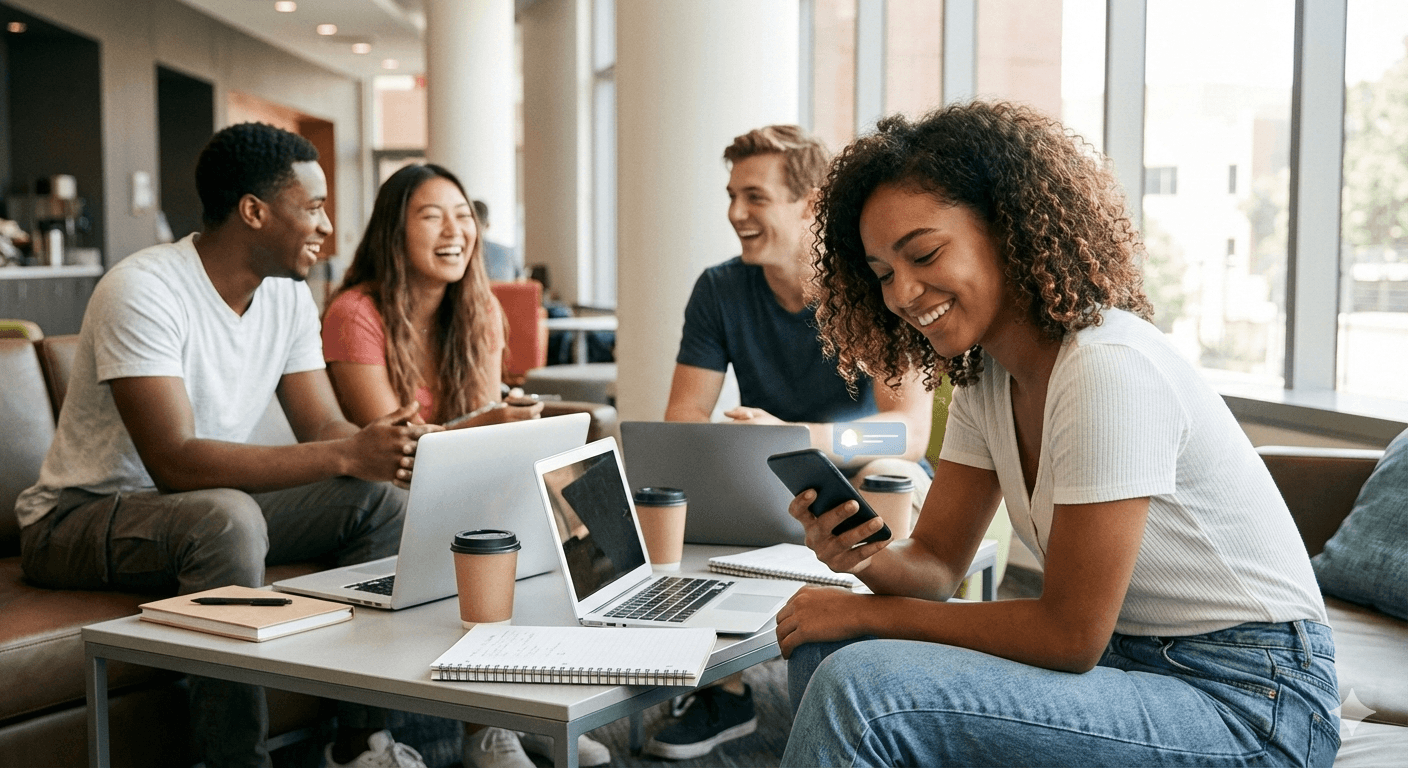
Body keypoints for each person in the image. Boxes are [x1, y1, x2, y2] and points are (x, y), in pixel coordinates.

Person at [776, 102, 1340, 767]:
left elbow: (1069, 633)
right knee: (828, 650)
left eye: (923, 253)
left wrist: (866, 614)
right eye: (882, 274)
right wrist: (863, 554)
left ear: (1005, 228)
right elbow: (933, 565)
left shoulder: (1108, 367)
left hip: (1255, 701)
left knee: (861, 688)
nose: (901, 293)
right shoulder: (986, 377)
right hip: (1137, 662)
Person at [15, 122, 438, 768]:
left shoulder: (289, 298)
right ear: (254, 211)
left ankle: (361, 743)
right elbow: (176, 460)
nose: (329, 225)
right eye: (315, 206)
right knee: (226, 518)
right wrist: (346, 454)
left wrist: (387, 445)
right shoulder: (144, 289)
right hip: (78, 517)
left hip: (195, 511)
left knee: (378, 501)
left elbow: (323, 428)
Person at [646, 124, 935, 761]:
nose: (735, 214)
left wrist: (799, 437)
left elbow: (905, 431)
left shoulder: (874, 284)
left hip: (869, 480)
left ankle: (872, 688)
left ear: (810, 203)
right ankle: (726, 690)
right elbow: (682, 417)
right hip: (768, 476)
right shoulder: (720, 289)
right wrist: (733, 445)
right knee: (676, 491)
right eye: (731, 196)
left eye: (754, 197)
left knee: (889, 470)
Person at [321, 163, 611, 768]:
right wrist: (482, 428)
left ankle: (531, 697)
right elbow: (394, 449)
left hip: (455, 483)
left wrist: (506, 432)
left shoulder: (477, 310)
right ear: (392, 232)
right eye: (432, 216)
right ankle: (484, 726)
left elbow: (480, 430)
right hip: (378, 490)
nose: (455, 230)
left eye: (463, 216)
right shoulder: (355, 314)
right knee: (489, 525)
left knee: (559, 490)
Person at [470, 198, 522, 282]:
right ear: (487, 225)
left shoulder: (460, 254)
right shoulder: (509, 253)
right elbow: (521, 283)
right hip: (506, 294)